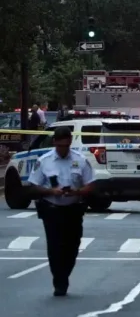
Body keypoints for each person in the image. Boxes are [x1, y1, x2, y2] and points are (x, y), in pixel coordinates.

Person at [27, 127, 94, 296]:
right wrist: (51, 191)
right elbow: (33, 186)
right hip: (52, 210)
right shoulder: (44, 161)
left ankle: (64, 274)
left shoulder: (80, 160)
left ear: (70, 142)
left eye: (66, 146)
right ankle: (59, 281)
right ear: (55, 142)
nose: (63, 149)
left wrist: (77, 192)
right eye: (60, 146)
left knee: (72, 246)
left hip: (73, 209)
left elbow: (90, 184)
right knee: (55, 246)